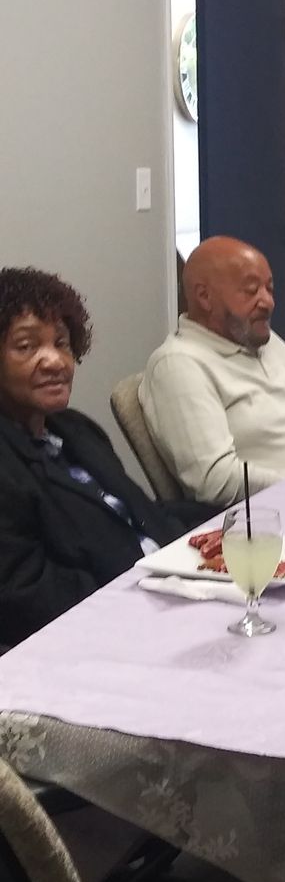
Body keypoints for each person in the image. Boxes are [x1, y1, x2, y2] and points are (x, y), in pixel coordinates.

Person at [0, 267, 200, 650]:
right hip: (97, 636)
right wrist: (145, 592)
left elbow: (135, 513)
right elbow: (23, 593)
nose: (55, 360)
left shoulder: (74, 429)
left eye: (61, 342)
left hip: (167, 594)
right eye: (26, 347)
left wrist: (223, 523)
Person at [140, 237, 285, 508]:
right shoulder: (179, 365)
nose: (268, 302)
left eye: (269, 288)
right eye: (251, 290)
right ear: (204, 297)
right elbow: (215, 481)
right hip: (283, 515)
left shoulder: (263, 339)